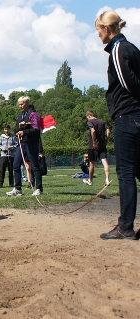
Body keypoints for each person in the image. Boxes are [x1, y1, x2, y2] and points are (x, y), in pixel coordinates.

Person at [95, 11, 140, 239]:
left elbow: (126, 82)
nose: (98, 35)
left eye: (98, 30)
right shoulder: (133, 48)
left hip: (127, 115)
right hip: (137, 115)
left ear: (106, 29)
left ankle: (125, 226)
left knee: (126, 172)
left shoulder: (118, 49)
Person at [7, 96, 43, 196]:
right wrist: (19, 128)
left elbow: (36, 129)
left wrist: (24, 131)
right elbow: (15, 131)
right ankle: (17, 189)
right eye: (19, 104)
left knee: (35, 166)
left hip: (31, 144)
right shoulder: (20, 116)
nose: (20, 106)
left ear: (27, 103)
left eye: (22, 104)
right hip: (21, 144)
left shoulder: (33, 115)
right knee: (16, 165)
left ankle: (39, 188)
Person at [83, 110, 111, 186]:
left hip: (93, 146)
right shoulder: (102, 122)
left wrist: (94, 142)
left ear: (89, 115)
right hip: (102, 145)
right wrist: (106, 141)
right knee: (105, 162)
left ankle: (90, 181)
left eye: (87, 117)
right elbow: (108, 131)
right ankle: (107, 180)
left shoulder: (90, 122)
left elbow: (93, 130)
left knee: (91, 163)